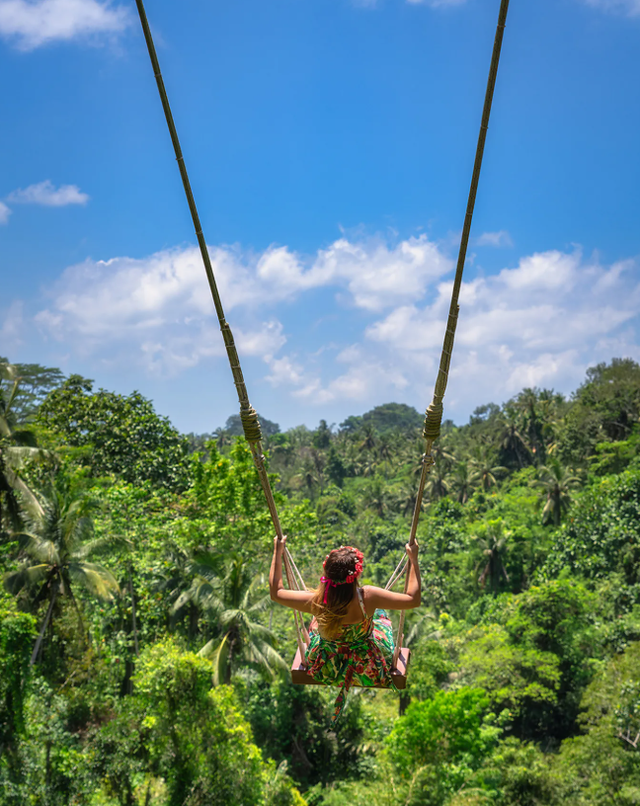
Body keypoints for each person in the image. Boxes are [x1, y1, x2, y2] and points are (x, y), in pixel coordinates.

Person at [269, 537, 421, 719]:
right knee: (379, 615)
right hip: (367, 661)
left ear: (327, 574)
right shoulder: (369, 597)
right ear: (355, 575)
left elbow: (276, 592)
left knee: (317, 623)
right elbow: (413, 599)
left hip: (327, 663)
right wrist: (413, 560)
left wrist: (277, 552)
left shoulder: (315, 601)